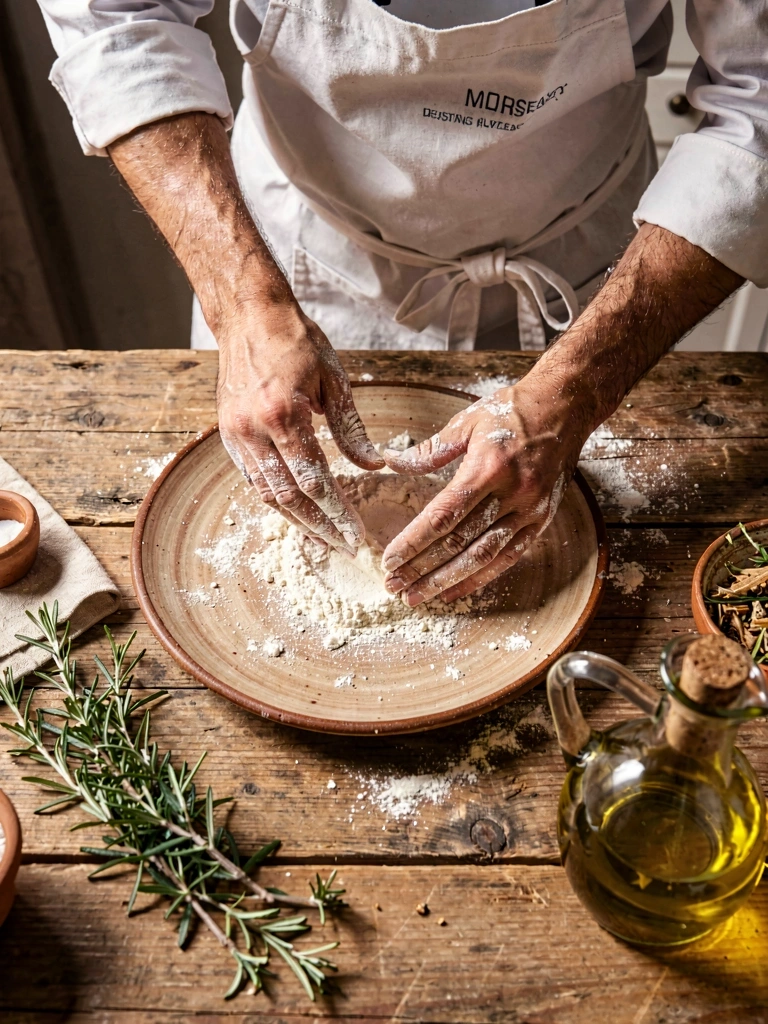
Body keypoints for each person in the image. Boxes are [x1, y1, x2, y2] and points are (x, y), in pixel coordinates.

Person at [38, 0, 765, 605]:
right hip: (303, 261)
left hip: (594, 272)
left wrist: (578, 386)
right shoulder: (259, 294)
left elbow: (757, 93)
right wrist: (244, 303)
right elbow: (117, 15)